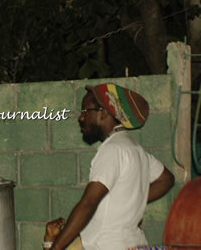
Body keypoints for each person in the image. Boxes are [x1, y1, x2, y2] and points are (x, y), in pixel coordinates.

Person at [44, 83, 175, 250]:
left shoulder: (112, 149)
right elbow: (167, 179)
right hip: (135, 244)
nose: (81, 117)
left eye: (85, 111)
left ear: (103, 113)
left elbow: (88, 203)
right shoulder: (133, 147)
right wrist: (132, 199)